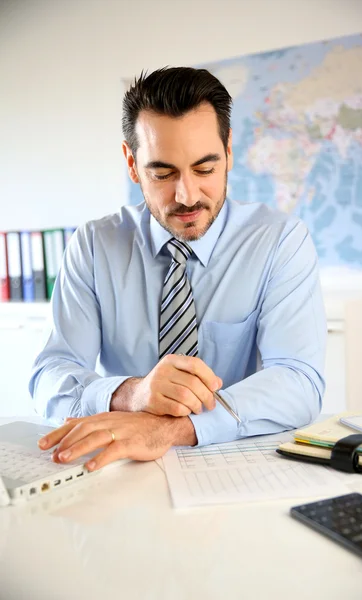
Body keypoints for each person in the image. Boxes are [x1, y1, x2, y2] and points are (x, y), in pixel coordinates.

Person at [31, 67, 326, 472]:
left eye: (205, 169)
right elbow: (50, 373)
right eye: (163, 173)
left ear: (229, 152)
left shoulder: (280, 241)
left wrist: (173, 428)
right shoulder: (94, 245)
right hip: (118, 466)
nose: (187, 195)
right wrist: (132, 395)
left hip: (233, 462)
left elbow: (299, 382)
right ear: (132, 164)